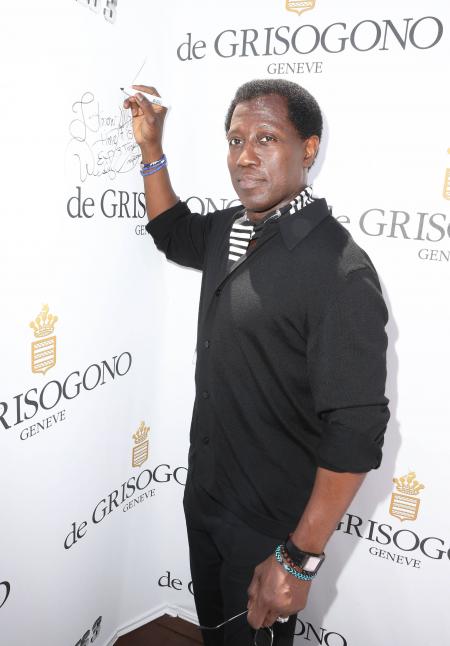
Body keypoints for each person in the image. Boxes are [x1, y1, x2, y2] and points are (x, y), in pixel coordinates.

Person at [124, 79, 389, 646]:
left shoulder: (340, 271)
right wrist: (152, 148)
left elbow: (355, 431)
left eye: (266, 138)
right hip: (206, 497)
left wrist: (298, 560)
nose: (244, 156)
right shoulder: (231, 228)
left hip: (270, 528)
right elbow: (171, 232)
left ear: (308, 149)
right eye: (235, 140)